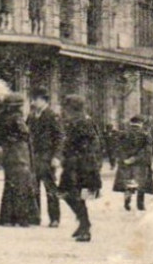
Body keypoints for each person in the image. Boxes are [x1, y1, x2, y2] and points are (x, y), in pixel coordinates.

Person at [0, 89, 40, 227]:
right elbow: (25, 134)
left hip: (9, 154)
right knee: (22, 185)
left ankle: (7, 218)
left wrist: (5, 142)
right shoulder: (16, 117)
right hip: (19, 154)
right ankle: (22, 219)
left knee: (11, 185)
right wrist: (14, 139)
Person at [58, 95, 102, 242]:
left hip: (82, 166)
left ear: (72, 108)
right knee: (70, 194)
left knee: (75, 195)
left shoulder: (82, 122)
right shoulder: (78, 121)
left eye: (66, 107)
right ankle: (84, 223)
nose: (64, 110)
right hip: (76, 165)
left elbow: (88, 145)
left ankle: (85, 227)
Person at [27, 91, 64, 228]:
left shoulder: (53, 116)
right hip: (33, 157)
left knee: (50, 188)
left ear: (43, 100)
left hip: (47, 157)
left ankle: (54, 218)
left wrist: (57, 157)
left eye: (35, 99)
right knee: (33, 188)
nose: (33, 103)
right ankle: (34, 217)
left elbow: (60, 137)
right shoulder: (31, 116)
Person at [113, 115, 153, 212]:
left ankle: (127, 202)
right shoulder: (145, 135)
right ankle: (140, 205)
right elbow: (147, 151)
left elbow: (118, 149)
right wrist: (135, 158)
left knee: (128, 183)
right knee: (141, 184)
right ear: (141, 123)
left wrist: (124, 159)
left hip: (125, 163)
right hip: (140, 164)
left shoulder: (123, 134)